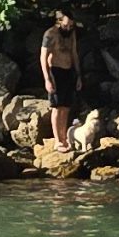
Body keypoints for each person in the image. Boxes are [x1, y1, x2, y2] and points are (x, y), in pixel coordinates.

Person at [39, 10, 82, 152]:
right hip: (55, 72)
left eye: (71, 26)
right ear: (59, 22)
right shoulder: (50, 34)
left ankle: (64, 139)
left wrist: (78, 75)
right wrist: (47, 79)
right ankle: (58, 141)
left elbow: (74, 53)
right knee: (57, 108)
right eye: (66, 26)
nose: (68, 28)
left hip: (68, 72)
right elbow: (43, 57)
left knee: (66, 107)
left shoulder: (71, 34)